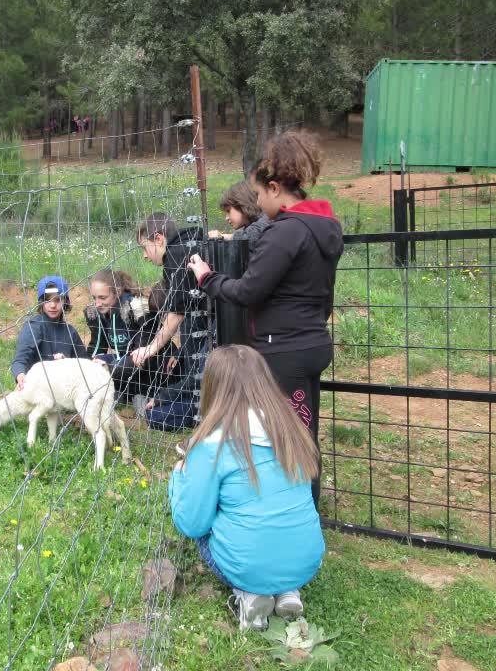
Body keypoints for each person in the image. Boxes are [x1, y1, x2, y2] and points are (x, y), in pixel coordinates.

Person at [187, 131, 344, 503]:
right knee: (304, 428)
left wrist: (208, 279)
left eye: (258, 194)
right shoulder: (326, 226)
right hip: (312, 342)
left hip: (284, 350)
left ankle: (298, 510)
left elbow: (248, 291)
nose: (257, 202)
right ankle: (301, 506)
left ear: (275, 188)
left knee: (289, 434)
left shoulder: (284, 233)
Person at [169, 344, 324, 631]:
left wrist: (179, 477)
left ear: (212, 388)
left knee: (208, 523)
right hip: (306, 562)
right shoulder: (293, 432)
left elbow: (192, 524)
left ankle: (249, 594)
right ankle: (288, 591)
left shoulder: (211, 447)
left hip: (247, 564)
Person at [131, 212, 207, 432]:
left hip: (210, 358)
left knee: (156, 416)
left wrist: (150, 349)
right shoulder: (191, 245)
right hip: (211, 337)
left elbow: (177, 313)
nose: (145, 256)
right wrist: (181, 352)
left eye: (144, 247)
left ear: (158, 239)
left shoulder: (176, 254)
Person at [83, 268, 163, 406]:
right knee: (92, 364)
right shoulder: (96, 312)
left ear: (117, 292)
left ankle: (138, 393)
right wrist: (90, 363)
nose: (97, 303)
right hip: (121, 360)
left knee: (119, 366)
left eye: (103, 297)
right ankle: (122, 393)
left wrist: (108, 367)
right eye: (94, 298)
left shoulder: (135, 307)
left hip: (148, 362)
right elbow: (97, 346)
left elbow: (143, 351)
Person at [10, 275, 88, 390]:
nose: (52, 305)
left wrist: (66, 363)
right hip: (36, 388)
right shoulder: (33, 327)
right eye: (47, 300)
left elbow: (84, 364)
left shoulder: (70, 332)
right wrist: (20, 375)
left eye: (58, 300)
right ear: (41, 302)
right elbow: (20, 360)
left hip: (65, 390)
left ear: (65, 302)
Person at [207, 179, 272, 243]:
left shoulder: (268, 220)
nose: (226, 218)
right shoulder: (252, 224)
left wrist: (222, 236)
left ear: (242, 205)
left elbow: (250, 236)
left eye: (228, 211)